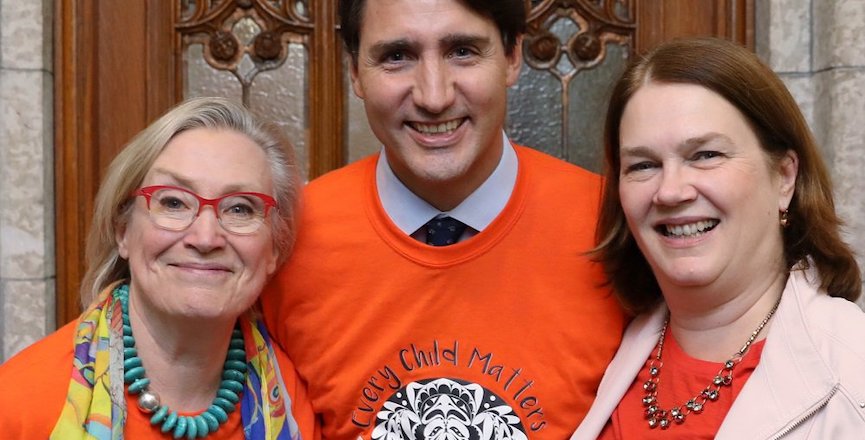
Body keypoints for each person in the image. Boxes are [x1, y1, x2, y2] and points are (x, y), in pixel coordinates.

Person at [259, 0, 625, 439]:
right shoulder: (286, 238)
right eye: (397, 56)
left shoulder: (615, 226)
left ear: (511, 58)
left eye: (463, 51)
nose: (434, 96)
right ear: (355, 72)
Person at [571, 37, 865, 439]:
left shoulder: (853, 375)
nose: (671, 191)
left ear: (784, 177)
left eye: (706, 155)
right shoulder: (608, 348)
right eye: (643, 165)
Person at [0, 97, 317, 439]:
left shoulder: (290, 396)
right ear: (123, 230)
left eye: (240, 209)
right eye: (173, 202)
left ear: (275, 246)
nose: (205, 237)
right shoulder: (21, 404)